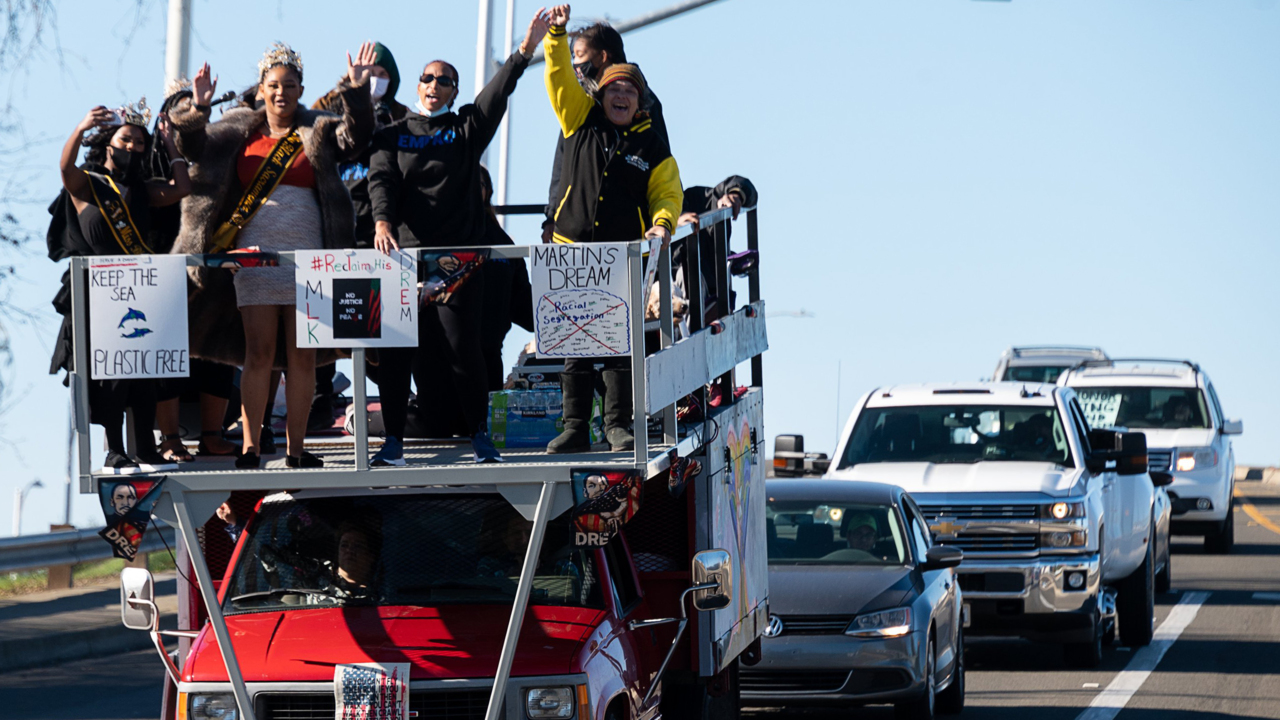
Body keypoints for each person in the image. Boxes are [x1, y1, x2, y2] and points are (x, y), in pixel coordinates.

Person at [170, 42, 377, 469]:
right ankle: (251, 448)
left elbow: (356, 139)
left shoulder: (319, 128)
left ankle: (296, 452)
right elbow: (192, 147)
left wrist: (356, 93)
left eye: (290, 85)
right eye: (274, 85)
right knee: (259, 353)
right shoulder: (236, 129)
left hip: (311, 256)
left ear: (301, 90)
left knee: (303, 356)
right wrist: (199, 108)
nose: (281, 92)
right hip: (256, 256)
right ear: (261, 89)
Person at [366, 9, 550, 466]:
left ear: (455, 90)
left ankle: (480, 438)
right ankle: (393, 442)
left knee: (464, 351)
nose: (434, 84)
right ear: (417, 86)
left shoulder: (465, 129)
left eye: (444, 80)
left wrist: (525, 50)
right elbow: (381, 181)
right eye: (427, 78)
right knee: (396, 353)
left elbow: (497, 94)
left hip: (458, 261)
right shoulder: (392, 135)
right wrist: (382, 223)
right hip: (405, 258)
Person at [540, 4, 682, 454]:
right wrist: (556, 36)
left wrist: (662, 224)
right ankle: (575, 427)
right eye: (614, 89)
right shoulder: (579, 119)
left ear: (640, 101)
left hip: (621, 256)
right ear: (600, 95)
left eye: (630, 91)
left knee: (621, 348)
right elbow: (559, 79)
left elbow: (667, 192)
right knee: (574, 349)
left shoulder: (651, 143)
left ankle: (617, 426)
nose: (622, 96)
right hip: (572, 253)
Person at [47, 96, 192, 474]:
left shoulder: (144, 190)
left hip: (139, 290)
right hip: (99, 293)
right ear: (109, 141)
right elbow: (64, 167)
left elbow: (182, 187)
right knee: (111, 375)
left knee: (144, 374)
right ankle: (115, 451)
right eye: (126, 139)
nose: (132, 147)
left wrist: (170, 144)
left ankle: (145, 449)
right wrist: (81, 128)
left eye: (139, 142)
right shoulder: (88, 185)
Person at [540, 20, 668, 244]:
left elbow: (662, 171)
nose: (576, 64)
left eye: (580, 55)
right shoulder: (580, 107)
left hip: (627, 244)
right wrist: (552, 214)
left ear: (603, 56)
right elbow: (563, 159)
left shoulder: (647, 106)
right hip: (571, 242)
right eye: (573, 57)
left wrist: (665, 220)